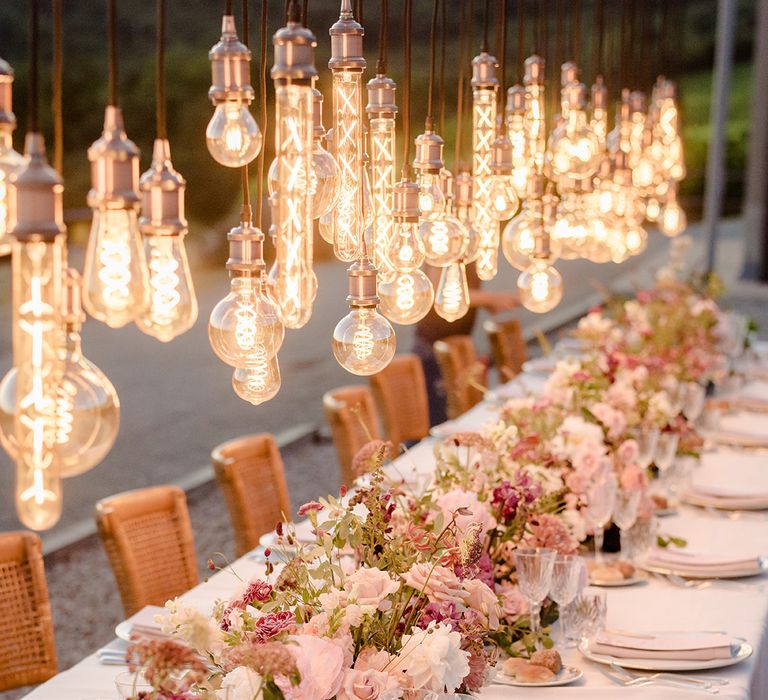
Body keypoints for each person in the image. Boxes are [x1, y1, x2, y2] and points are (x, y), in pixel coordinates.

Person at [412, 262, 519, 425]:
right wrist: (491, 298)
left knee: (463, 416)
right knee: (439, 421)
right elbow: (435, 292)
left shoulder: (470, 245)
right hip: (434, 348)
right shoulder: (441, 242)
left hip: (458, 343)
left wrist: (488, 303)